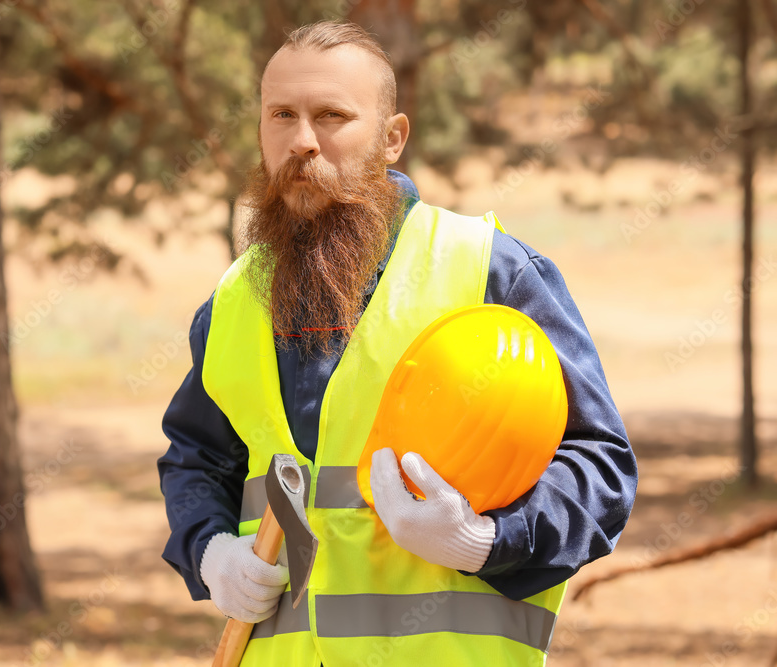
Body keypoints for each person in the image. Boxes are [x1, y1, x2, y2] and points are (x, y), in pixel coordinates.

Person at [157, 20, 637, 667]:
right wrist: (211, 550)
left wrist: (483, 540)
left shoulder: (489, 270)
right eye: (281, 115)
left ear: (392, 138)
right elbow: (196, 458)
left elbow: (599, 466)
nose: (302, 141)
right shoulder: (234, 300)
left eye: (332, 116)